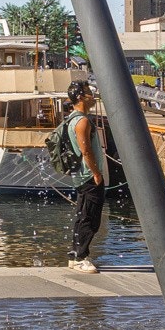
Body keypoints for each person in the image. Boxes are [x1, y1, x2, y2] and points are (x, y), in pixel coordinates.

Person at [65, 79, 108, 274]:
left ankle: (75, 255)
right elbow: (86, 151)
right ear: (81, 97)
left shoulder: (72, 118)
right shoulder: (82, 121)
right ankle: (82, 257)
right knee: (90, 218)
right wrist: (97, 173)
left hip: (80, 175)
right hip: (88, 176)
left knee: (82, 216)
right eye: (89, 92)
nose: (92, 95)